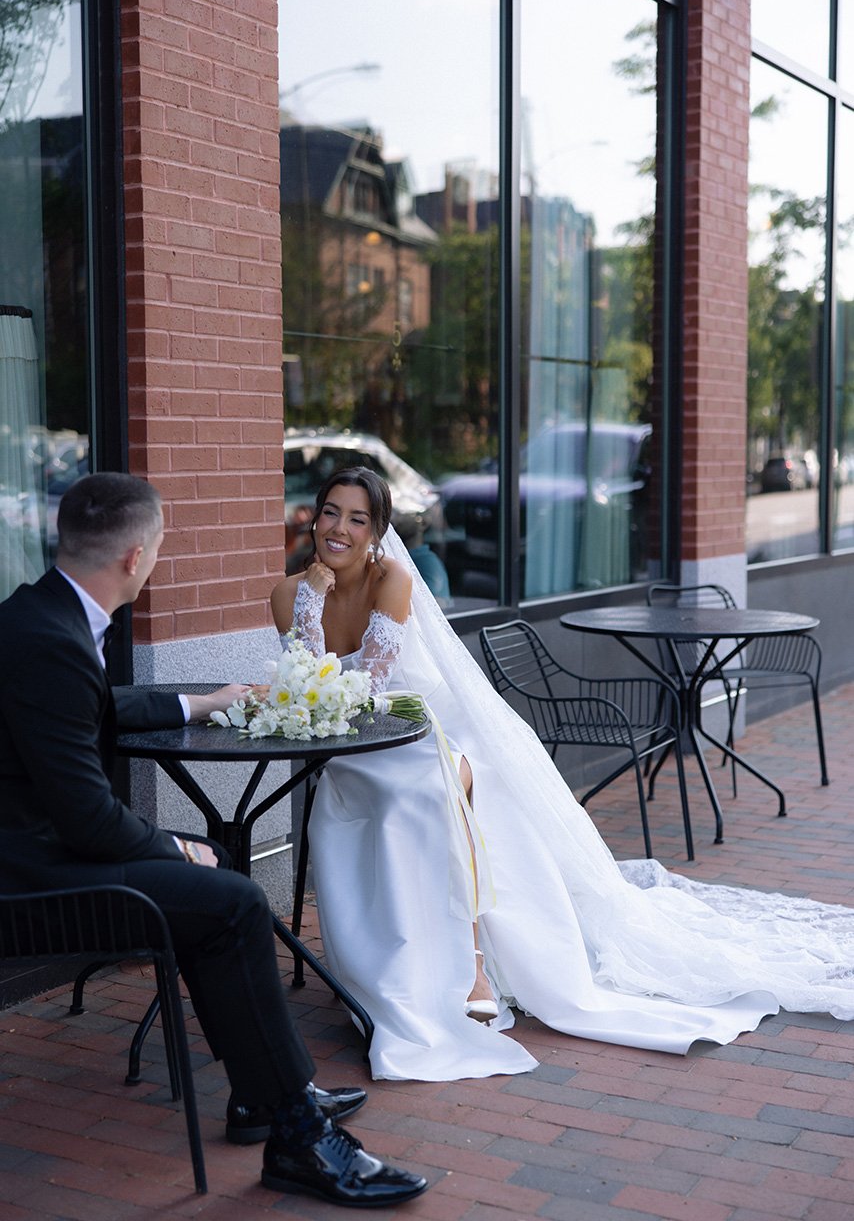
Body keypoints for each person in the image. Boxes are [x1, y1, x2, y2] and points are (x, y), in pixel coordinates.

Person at [271, 465, 854, 1083]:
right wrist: (312, 594)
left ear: (378, 530)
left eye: (357, 518)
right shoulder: (287, 595)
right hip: (352, 746)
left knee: (433, 783)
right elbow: (313, 682)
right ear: (315, 515)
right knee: (389, 792)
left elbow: (375, 682)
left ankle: (470, 963)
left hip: (425, 726)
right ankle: (377, 968)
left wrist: (322, 635)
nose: (339, 528)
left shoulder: (394, 582)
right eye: (331, 511)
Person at [0, 472, 428, 1207]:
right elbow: (91, 822)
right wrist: (172, 849)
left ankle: (260, 1095)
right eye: (161, 546)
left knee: (221, 874)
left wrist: (200, 701)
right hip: (29, 879)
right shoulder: (52, 643)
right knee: (229, 898)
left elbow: (89, 710)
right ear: (136, 558)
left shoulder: (38, 615)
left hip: (38, 849)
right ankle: (299, 1135)